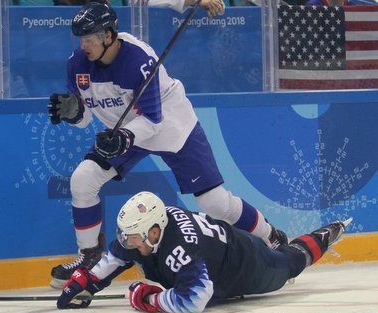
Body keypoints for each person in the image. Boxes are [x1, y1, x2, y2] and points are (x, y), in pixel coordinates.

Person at [47, 2, 287, 289]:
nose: (84, 45)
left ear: (108, 35)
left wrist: (122, 137)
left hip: (170, 126)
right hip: (127, 131)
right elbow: (85, 119)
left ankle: (270, 235)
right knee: (83, 179)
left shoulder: (139, 60)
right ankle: (88, 257)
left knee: (213, 202)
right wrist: (72, 112)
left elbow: (153, 120)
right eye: (81, 39)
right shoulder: (77, 64)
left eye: (90, 38)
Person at [56, 191, 352, 313]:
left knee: (290, 262)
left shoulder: (180, 249)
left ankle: (326, 235)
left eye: (135, 238)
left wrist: (148, 299)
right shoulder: (151, 226)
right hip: (227, 245)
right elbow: (119, 255)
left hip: (247, 267)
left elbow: (195, 299)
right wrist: (87, 280)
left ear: (155, 231)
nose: (130, 244)